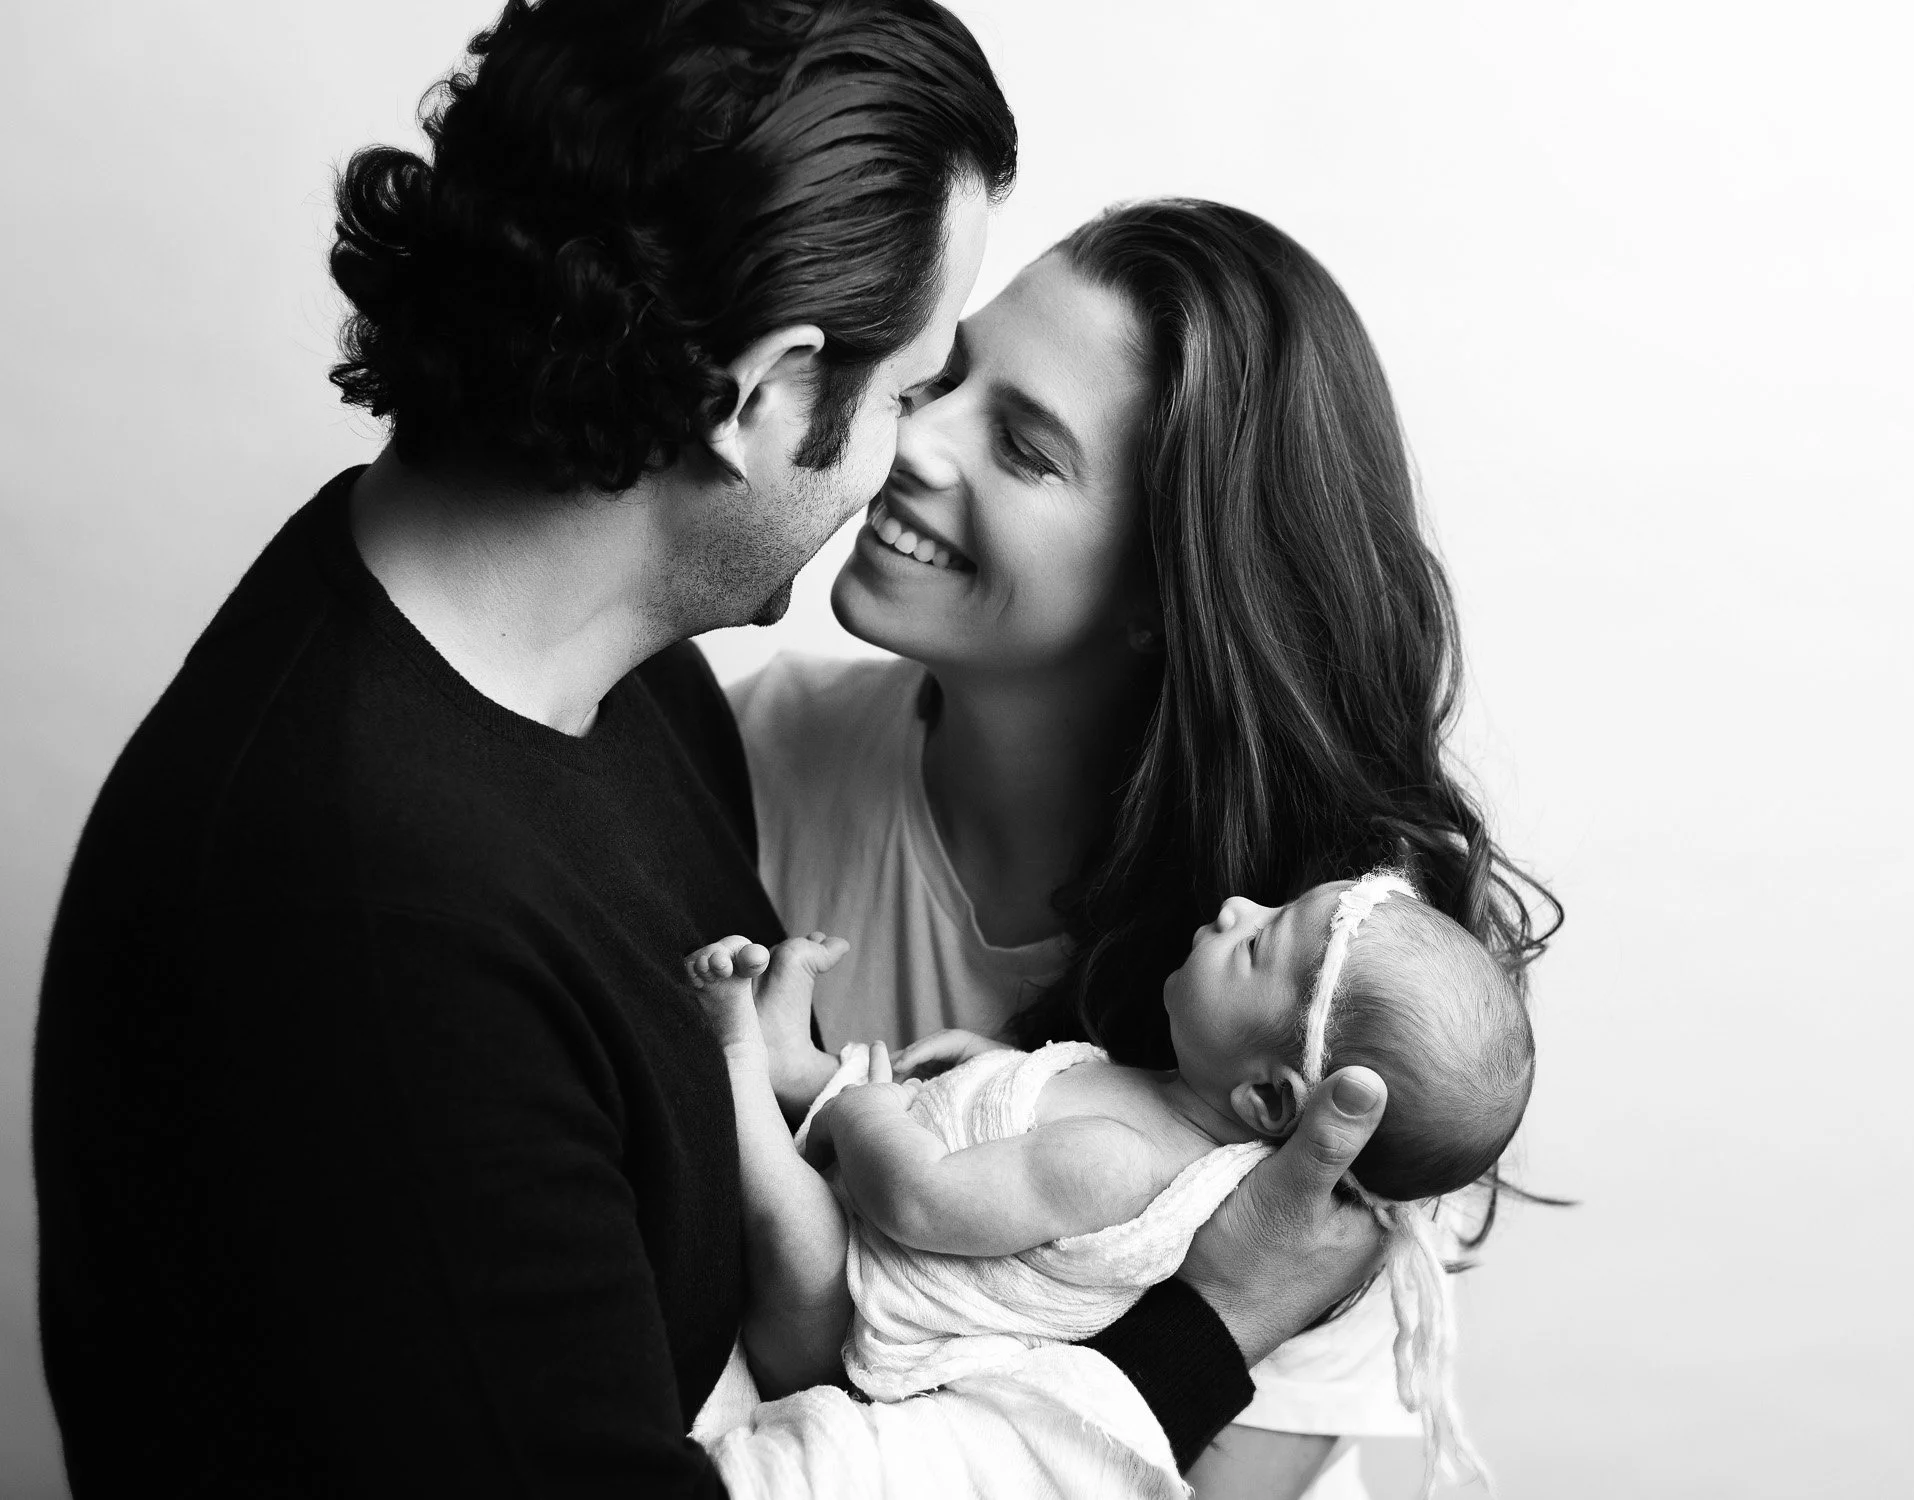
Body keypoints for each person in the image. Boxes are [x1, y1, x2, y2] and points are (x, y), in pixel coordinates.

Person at [32, 6, 1389, 1496]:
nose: (906, 454)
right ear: (765, 392)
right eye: (913, 383)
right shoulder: (362, 912)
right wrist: (1216, 1326)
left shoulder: (627, 692)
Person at [726, 197, 1559, 1498]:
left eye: (1026, 448)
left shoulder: (1357, 1008)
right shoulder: (745, 765)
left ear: (1165, 598)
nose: (909, 438)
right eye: (945, 375)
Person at [686, 870, 1530, 1499]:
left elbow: (920, 1202)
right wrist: (992, 1074)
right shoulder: (1158, 1099)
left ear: (1268, 1098)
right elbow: (1035, 1123)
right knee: (875, 1095)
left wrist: (867, 1111)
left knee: (803, 1239)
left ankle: (740, 1065)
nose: (1239, 908)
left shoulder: (1125, 1164)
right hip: (887, 1182)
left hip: (844, 1320)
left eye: (1258, 945)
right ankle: (797, 1066)